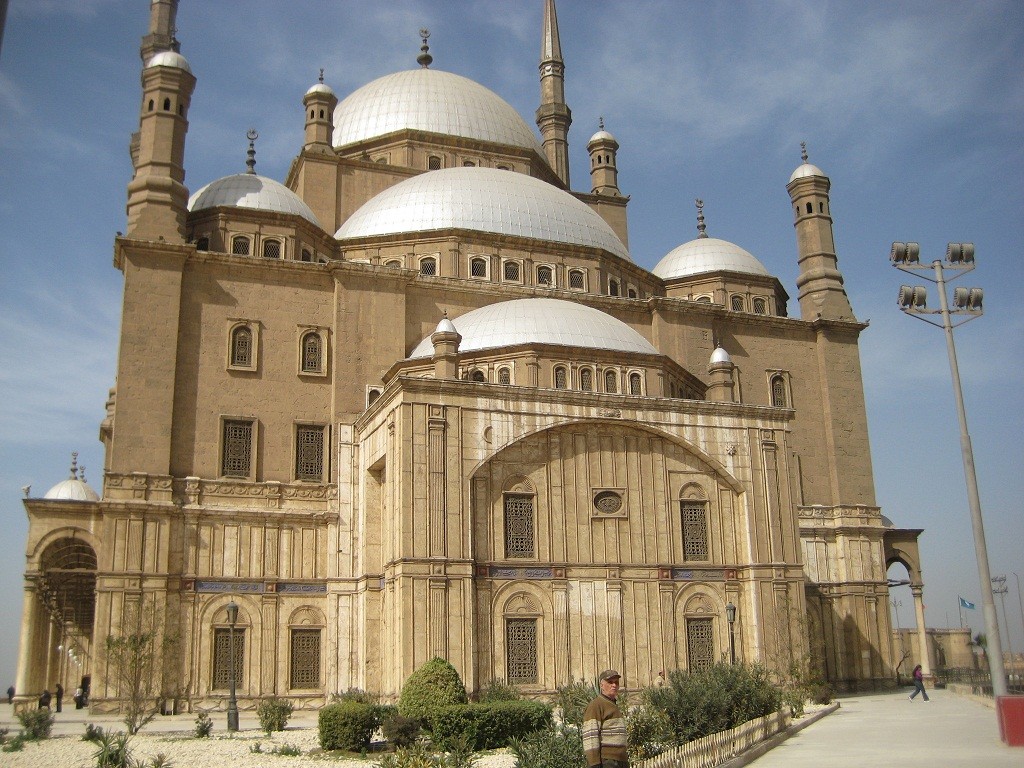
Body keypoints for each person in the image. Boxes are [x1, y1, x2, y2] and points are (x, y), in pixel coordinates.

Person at [582, 669, 628, 768]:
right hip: (608, 761)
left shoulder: (613, 705)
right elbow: (590, 736)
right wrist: (594, 763)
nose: (614, 685)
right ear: (602, 685)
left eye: (616, 682)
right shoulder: (596, 705)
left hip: (621, 760)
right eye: (610, 682)